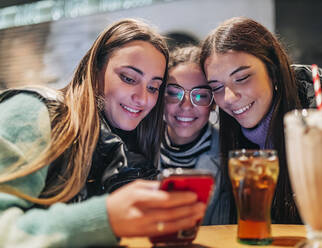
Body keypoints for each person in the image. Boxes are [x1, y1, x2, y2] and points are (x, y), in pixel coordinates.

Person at [0, 19, 206, 247]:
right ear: (95, 70)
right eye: (128, 79)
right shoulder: (33, 111)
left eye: (153, 87)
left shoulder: (131, 147)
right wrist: (104, 217)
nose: (143, 98)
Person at [200, 17, 322, 229]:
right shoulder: (233, 139)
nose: (228, 97)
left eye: (242, 78)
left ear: (273, 71)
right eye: (216, 87)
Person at [160, 46, 230, 225]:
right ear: (160, 97)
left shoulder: (230, 158)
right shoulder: (133, 149)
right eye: (174, 93)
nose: (186, 106)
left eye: (200, 96)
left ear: (213, 103)